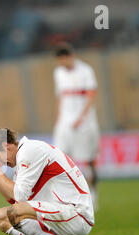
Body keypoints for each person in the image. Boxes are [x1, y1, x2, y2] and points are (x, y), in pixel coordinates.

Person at [53, 42, 100, 210]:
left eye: (64, 59)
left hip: (85, 123)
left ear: (70, 56)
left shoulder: (85, 71)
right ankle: (66, 196)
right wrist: (59, 119)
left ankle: (93, 194)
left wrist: (82, 117)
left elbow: (90, 95)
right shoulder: (58, 73)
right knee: (60, 157)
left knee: (88, 159)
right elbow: (60, 98)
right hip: (65, 123)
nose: (62, 63)